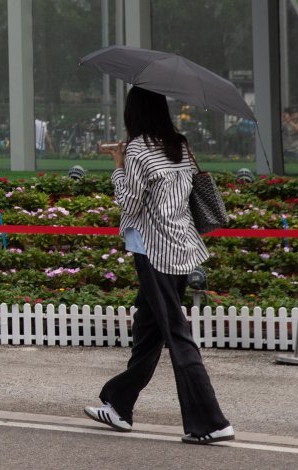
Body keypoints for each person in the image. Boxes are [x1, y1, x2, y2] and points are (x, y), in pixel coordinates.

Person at [84, 86, 233, 445]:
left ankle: (210, 422)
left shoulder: (136, 150)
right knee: (149, 328)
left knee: (176, 334)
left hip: (153, 250)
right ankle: (119, 406)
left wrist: (118, 165)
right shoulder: (178, 144)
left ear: (132, 113)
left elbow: (128, 202)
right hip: (183, 246)